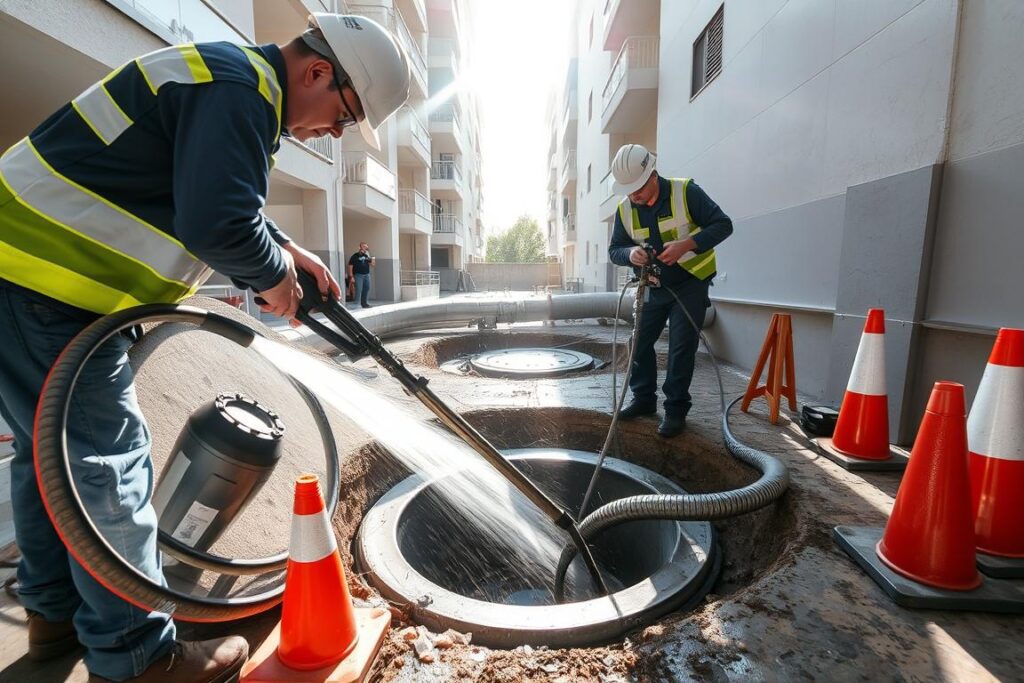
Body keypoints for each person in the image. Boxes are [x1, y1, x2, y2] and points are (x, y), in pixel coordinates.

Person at [0, 12, 409, 682]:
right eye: (344, 116)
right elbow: (215, 219)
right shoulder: (240, 90)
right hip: (48, 290)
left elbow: (211, 191)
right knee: (108, 462)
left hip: (25, 276)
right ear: (316, 72)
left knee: (52, 465)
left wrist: (285, 248)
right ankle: (138, 655)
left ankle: (54, 615)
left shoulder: (230, 80)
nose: (335, 133)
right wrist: (275, 279)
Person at [607, 144, 733, 438]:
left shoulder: (685, 192)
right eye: (628, 190)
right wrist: (630, 254)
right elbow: (615, 249)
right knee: (638, 342)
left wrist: (686, 245)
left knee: (681, 347)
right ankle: (644, 399)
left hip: (690, 282)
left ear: (653, 174)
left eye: (638, 188)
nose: (634, 196)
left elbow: (723, 225)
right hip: (652, 285)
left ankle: (675, 410)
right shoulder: (625, 210)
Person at [347, 242, 375, 308]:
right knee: (359, 289)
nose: (365, 248)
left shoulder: (366, 256)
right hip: (358, 275)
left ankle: (364, 303)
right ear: (359, 247)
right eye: (363, 246)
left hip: (366, 275)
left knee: (366, 288)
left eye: (366, 247)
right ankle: (355, 304)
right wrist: (351, 276)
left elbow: (373, 265)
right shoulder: (355, 256)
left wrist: (370, 257)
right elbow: (350, 266)